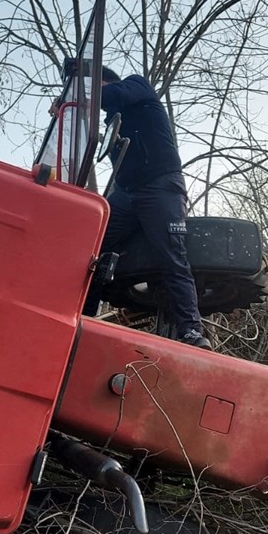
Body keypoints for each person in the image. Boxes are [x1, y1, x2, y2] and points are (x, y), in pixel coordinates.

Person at [86, 66, 210, 348]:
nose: (92, 94)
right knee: (93, 248)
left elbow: (109, 94)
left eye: (92, 85)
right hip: (127, 193)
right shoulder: (109, 122)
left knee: (172, 256)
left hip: (160, 186)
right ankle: (84, 316)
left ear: (104, 81)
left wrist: (81, 93)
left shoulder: (137, 87)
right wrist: (65, 108)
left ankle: (191, 330)